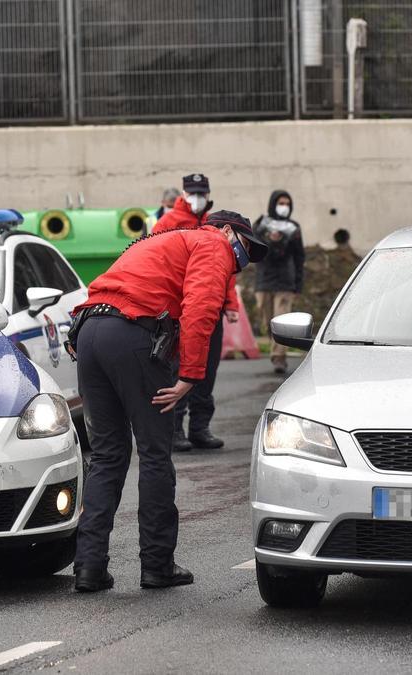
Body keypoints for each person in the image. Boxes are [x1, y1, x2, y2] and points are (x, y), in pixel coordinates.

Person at [69, 210, 267, 593]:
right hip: (132, 335)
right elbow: (201, 308)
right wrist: (190, 376)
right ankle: (157, 565)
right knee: (155, 453)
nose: (240, 262)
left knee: (108, 454)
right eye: (244, 247)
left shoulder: (163, 240)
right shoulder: (212, 244)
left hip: (90, 331)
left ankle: (89, 567)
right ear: (227, 231)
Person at [152, 173, 240, 452]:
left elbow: (227, 270)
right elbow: (156, 261)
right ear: (184, 193)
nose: (197, 198)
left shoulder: (215, 224)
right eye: (193, 192)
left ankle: (200, 428)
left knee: (207, 370)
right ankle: (175, 428)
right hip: (179, 311)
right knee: (179, 368)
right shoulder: (168, 223)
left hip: (210, 308)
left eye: (202, 192)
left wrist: (231, 304)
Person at [253, 190, 306, 375]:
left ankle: (279, 357)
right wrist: (270, 240)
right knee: (267, 321)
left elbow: (299, 257)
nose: (284, 207)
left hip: (285, 281)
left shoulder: (293, 227)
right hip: (264, 280)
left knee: (281, 319)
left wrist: (298, 284)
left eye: (287, 204)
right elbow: (255, 251)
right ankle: (275, 347)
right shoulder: (261, 225)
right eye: (280, 203)